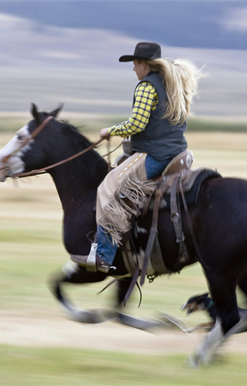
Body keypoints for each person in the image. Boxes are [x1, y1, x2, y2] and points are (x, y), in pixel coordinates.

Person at [71, 42, 203, 273]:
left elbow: (137, 124)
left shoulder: (146, 87)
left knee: (108, 188)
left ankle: (103, 255)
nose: (133, 69)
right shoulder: (173, 85)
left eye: (134, 64)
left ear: (143, 64)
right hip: (175, 152)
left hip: (154, 154)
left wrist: (109, 131)